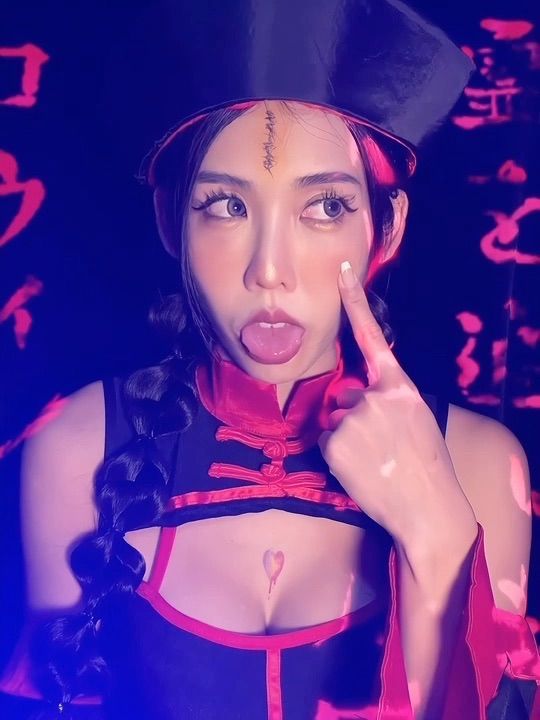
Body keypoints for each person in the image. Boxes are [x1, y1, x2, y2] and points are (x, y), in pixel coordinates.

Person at [1, 1, 539, 719]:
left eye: (326, 207)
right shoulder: (78, 451)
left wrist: (439, 537)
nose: (270, 271)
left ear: (387, 228)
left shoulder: (478, 465)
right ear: (170, 221)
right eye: (226, 206)